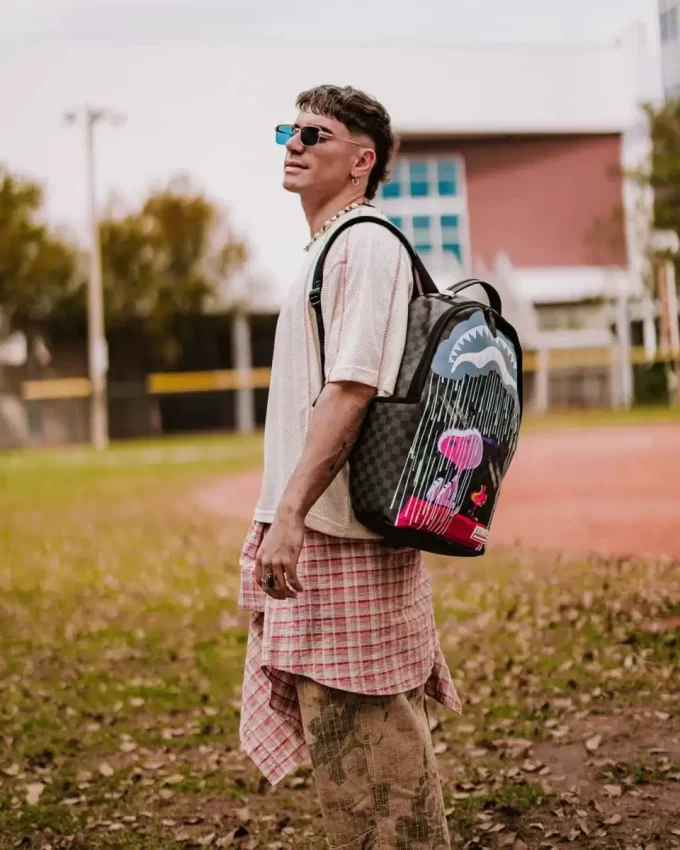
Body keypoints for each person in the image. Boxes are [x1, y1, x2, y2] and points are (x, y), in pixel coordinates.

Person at [238, 84, 460, 850]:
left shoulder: (363, 243)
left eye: (315, 134)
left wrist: (291, 516)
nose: (293, 144)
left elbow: (353, 387)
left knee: (376, 767)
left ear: (362, 162)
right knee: (351, 762)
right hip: (326, 531)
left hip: (340, 537)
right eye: (288, 131)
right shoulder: (330, 245)